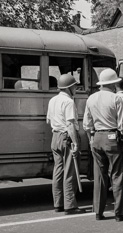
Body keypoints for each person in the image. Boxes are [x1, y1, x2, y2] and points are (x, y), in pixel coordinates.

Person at [83, 68, 123, 222]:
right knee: (117, 174)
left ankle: (98, 211)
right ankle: (119, 212)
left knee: (100, 176)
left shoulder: (91, 98)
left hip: (97, 136)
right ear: (114, 83)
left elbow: (87, 124)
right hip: (112, 137)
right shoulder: (117, 98)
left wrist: (91, 138)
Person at [46, 74, 86, 215]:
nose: (76, 88)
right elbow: (70, 124)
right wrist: (75, 143)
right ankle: (70, 205)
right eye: (74, 86)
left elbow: (49, 120)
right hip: (66, 137)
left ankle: (58, 203)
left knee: (58, 172)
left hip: (55, 137)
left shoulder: (52, 100)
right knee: (70, 172)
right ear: (69, 88)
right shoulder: (68, 102)